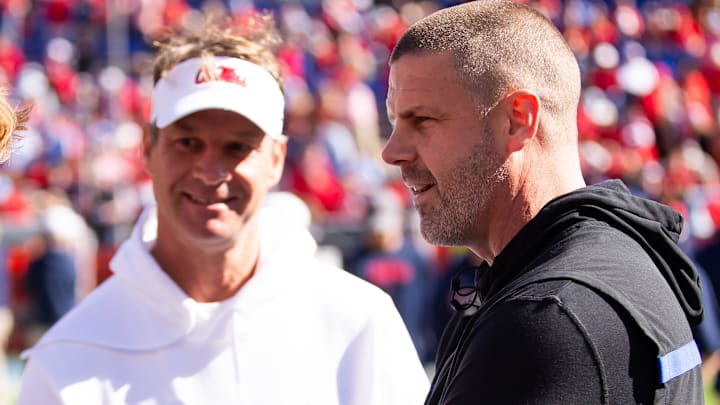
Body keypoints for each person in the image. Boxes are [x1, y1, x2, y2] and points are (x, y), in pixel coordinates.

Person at [17, 12, 428, 404]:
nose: (211, 171)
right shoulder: (69, 359)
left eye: (238, 147)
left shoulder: (358, 322)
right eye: (188, 142)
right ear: (148, 149)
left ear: (276, 159)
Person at [381, 1, 704, 404]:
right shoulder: (624, 257)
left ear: (518, 119)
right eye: (394, 121)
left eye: (422, 120)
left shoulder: (548, 318)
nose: (392, 152)